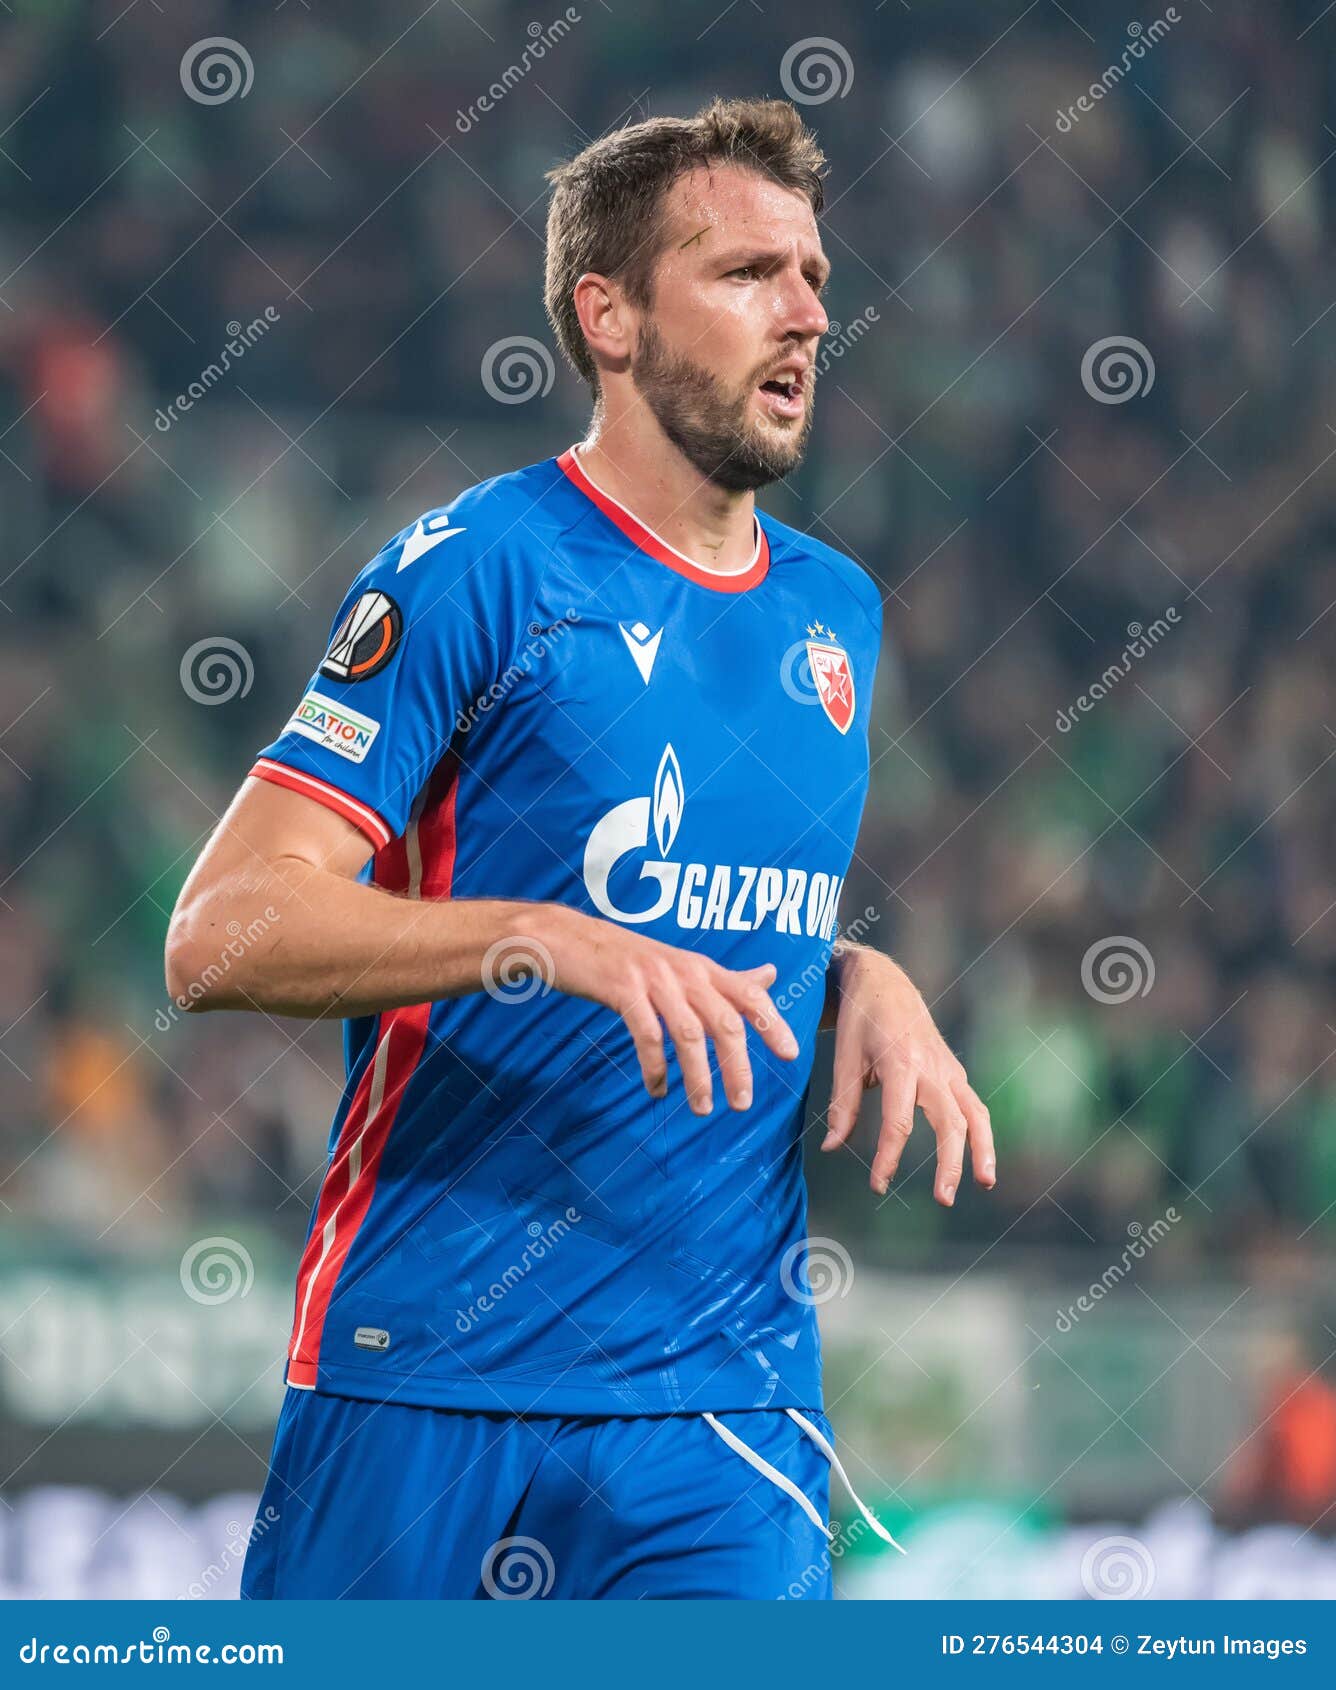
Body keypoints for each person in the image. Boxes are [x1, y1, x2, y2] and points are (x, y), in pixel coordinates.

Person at [166, 96, 995, 1601]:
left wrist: (858, 967)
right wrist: (539, 938)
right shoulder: (481, 569)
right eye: (747, 274)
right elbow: (221, 931)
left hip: (721, 1410)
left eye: (813, 274)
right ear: (606, 318)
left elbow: (721, 902)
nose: (807, 311)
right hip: (424, 1376)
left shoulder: (839, 613)